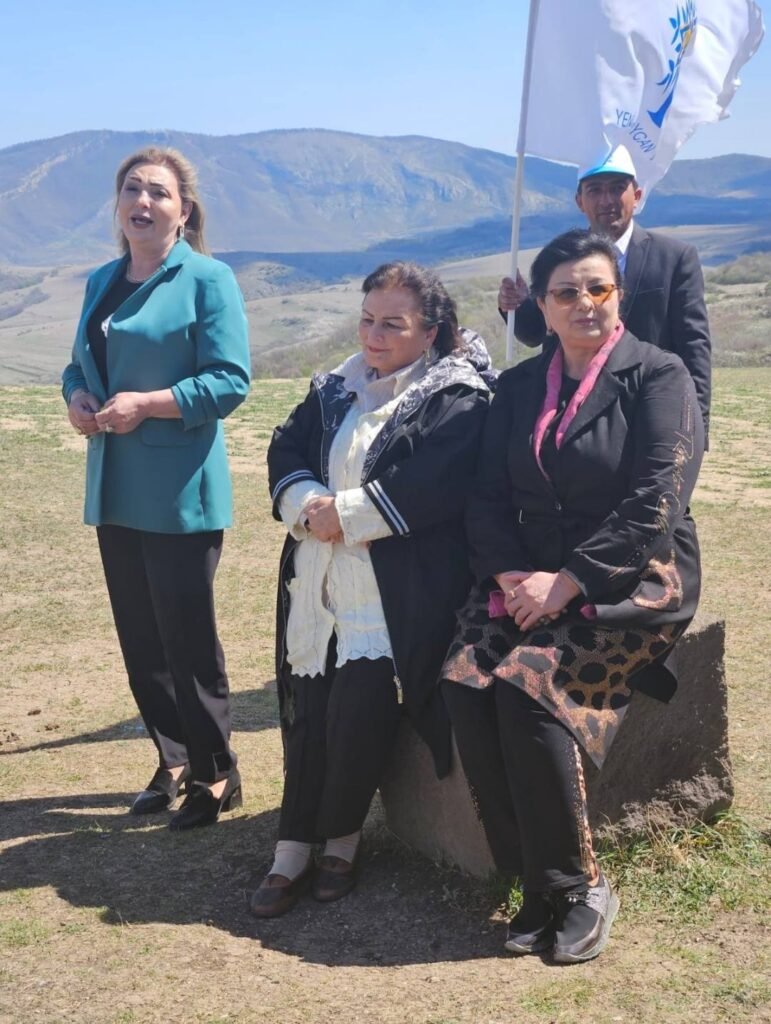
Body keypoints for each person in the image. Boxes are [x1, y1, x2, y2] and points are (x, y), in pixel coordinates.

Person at [442, 228, 703, 963]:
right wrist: (508, 576)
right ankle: (533, 876)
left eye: (598, 287)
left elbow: (658, 498)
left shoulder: (658, 374)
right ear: (542, 306)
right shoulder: (519, 386)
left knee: (530, 686)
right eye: (566, 292)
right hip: (526, 576)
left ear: (618, 294)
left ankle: (579, 885)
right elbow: (486, 494)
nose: (584, 302)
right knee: (465, 680)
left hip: (632, 580)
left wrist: (569, 581)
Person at [252, 262, 490, 918]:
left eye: (392, 324)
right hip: (319, 579)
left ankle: (341, 840)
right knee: (307, 709)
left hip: (393, 592)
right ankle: (291, 844)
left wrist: (348, 514)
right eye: (366, 319)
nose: (373, 335)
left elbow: (436, 480)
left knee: (357, 712)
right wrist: (308, 503)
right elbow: (286, 448)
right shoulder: (336, 386)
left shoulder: (457, 396)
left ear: (430, 332)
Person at [62, 147, 250, 830]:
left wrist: (149, 403)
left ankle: (216, 771)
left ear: (184, 210)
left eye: (158, 193)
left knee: (185, 638)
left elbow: (230, 380)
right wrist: (77, 397)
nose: (143, 202)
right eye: (132, 189)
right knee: (141, 639)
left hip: (179, 489)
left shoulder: (207, 278)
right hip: (114, 485)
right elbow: (76, 366)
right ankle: (171, 758)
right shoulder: (102, 280)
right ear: (117, 204)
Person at [498, 145, 711, 439]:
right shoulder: (561, 259)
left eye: (617, 188)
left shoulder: (674, 258)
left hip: (646, 408)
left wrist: (696, 429)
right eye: (595, 190)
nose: (606, 199)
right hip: (570, 414)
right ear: (579, 201)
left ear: (637, 195)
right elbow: (535, 333)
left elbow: (694, 346)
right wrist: (517, 305)